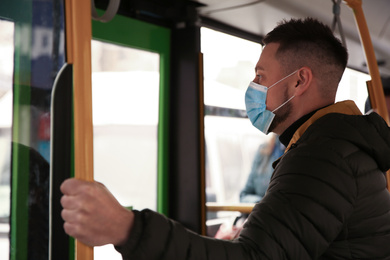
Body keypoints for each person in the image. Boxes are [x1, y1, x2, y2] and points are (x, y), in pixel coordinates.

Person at [60, 17, 390, 259]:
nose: (254, 87)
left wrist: (128, 229)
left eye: (261, 76)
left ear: (299, 81)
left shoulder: (322, 156)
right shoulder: (335, 147)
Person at [239, 134, 284, 203]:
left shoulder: (299, 150)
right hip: (262, 209)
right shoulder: (263, 150)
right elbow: (244, 195)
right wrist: (260, 203)